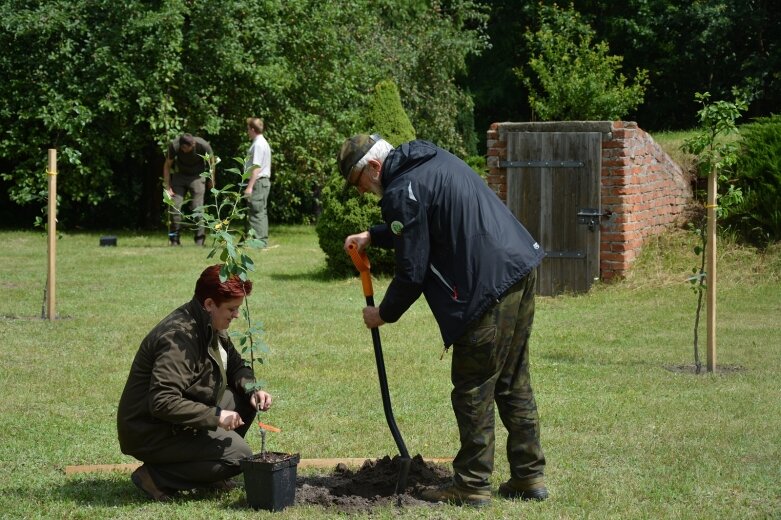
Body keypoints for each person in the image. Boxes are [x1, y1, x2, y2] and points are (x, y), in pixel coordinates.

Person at [338, 134, 548, 507]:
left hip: (485, 288)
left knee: (473, 387)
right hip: (517, 268)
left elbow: (412, 271)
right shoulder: (430, 161)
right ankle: (528, 477)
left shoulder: (401, 190)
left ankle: (471, 485)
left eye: (361, 184)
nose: (364, 193)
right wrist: (375, 234)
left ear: (373, 167)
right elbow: (418, 226)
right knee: (513, 380)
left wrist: (382, 314)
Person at [117, 264, 272, 502]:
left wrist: (253, 390)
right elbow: (162, 401)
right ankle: (156, 477)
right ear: (209, 304)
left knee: (243, 399)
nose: (236, 315)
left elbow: (236, 367)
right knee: (238, 456)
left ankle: (207, 469)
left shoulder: (211, 324)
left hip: (179, 418)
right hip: (150, 430)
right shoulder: (179, 337)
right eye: (231, 309)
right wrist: (217, 415)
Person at [163, 133, 214, 246]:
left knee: (197, 208)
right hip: (180, 176)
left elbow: (211, 163)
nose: (193, 146)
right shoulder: (174, 146)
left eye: (193, 144)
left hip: (198, 176)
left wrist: (211, 180)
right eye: (189, 146)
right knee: (175, 207)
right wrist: (167, 186)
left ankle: (199, 241)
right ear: (182, 147)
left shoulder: (203, 145)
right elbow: (167, 166)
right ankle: (174, 240)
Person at [244, 118, 272, 247]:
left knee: (256, 212)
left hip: (258, 182)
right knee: (260, 211)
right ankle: (258, 241)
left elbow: (256, 167)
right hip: (261, 182)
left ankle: (259, 242)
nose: (247, 132)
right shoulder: (261, 142)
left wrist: (249, 187)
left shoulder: (258, 144)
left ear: (253, 129)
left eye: (248, 129)